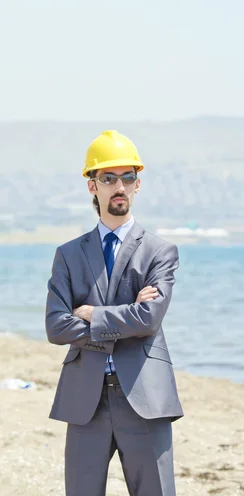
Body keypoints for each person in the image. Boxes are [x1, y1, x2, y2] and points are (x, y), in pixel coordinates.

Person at [45, 129, 183, 496]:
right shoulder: (68, 255)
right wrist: (127, 316)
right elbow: (56, 327)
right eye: (108, 178)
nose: (119, 186)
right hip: (84, 401)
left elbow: (149, 319)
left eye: (127, 177)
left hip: (144, 398)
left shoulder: (159, 252)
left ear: (138, 184)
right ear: (92, 185)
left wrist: (92, 313)